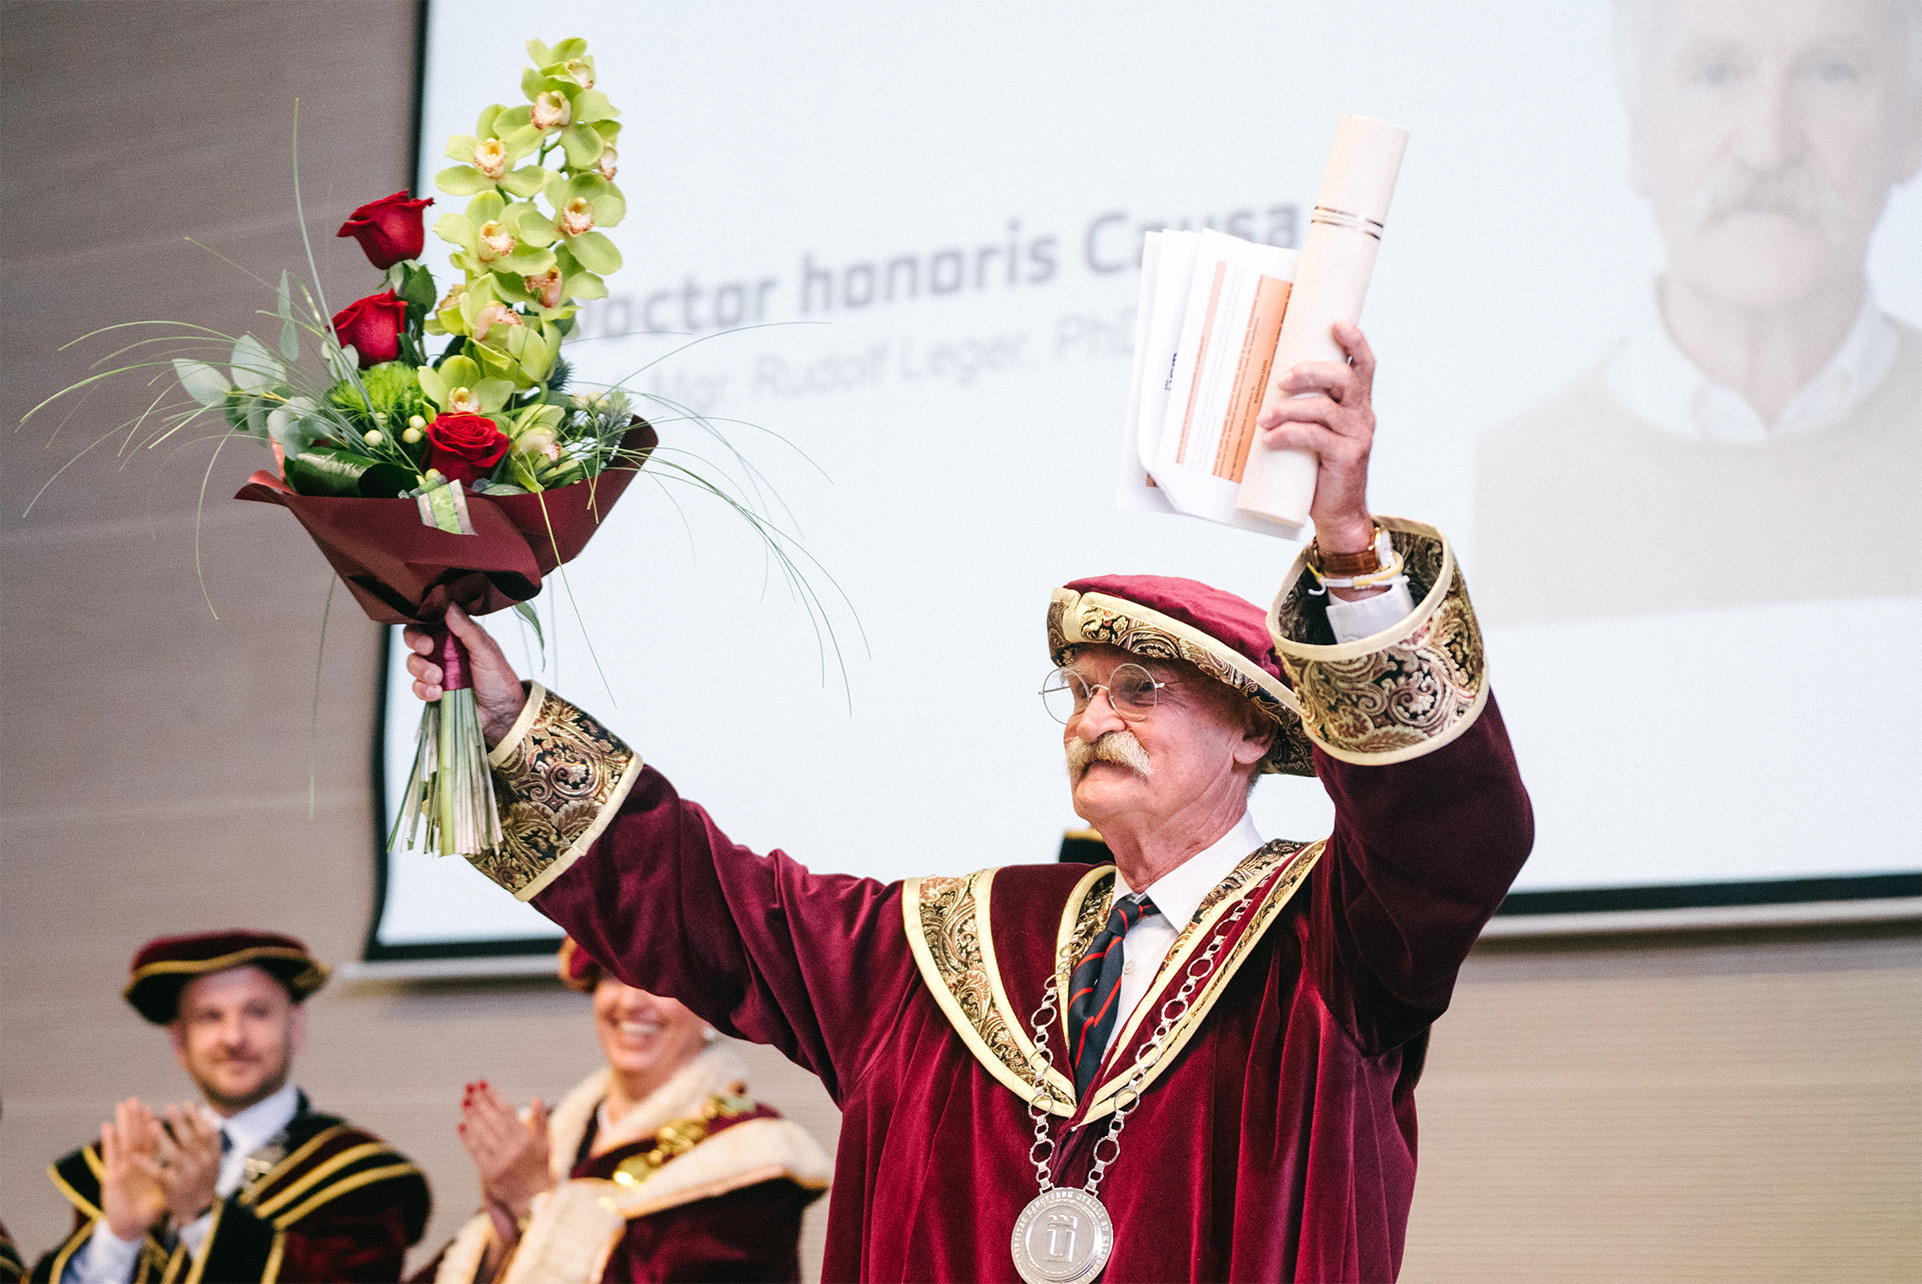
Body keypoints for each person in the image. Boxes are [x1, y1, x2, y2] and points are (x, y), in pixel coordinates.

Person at [404, 323, 1533, 1282]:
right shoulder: (948, 945)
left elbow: (1449, 830)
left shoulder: (1333, 941)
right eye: (1080, 691)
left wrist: (1346, 555)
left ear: (1251, 730)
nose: (1095, 717)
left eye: (1142, 689)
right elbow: (702, 899)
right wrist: (505, 721)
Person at [1476, 0, 1922, 622]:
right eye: (1716, 74)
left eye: (1831, 73)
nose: (1768, 146)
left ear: (1908, 130)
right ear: (1640, 135)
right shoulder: (1506, 488)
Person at [418, 938, 831, 1284]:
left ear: (707, 1006)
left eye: (657, 979)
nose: (631, 1001)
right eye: (612, 974)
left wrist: (536, 1204)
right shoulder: (552, 1136)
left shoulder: (754, 1157)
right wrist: (502, 1240)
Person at [30, 932, 431, 1284]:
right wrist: (118, 1237)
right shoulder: (135, 1163)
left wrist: (204, 1218)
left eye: (257, 1012)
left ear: (296, 1027)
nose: (233, 1037)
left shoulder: (356, 1175)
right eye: (210, 1017)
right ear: (179, 1044)